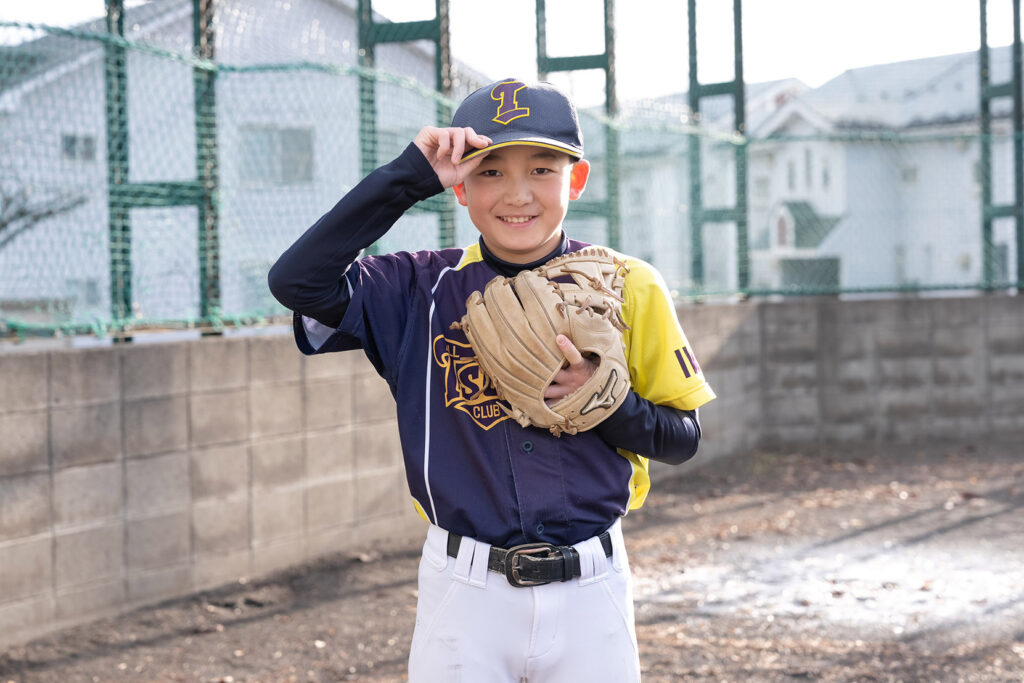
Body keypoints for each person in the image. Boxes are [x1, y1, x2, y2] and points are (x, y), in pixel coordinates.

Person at [268, 78, 716, 682]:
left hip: (593, 586)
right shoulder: (417, 288)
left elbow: (682, 437)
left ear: (575, 180)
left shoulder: (628, 283)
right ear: (459, 186)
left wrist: (601, 400)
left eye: (541, 169)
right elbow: (297, 282)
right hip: (465, 589)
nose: (517, 194)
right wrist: (407, 177)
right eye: (490, 172)